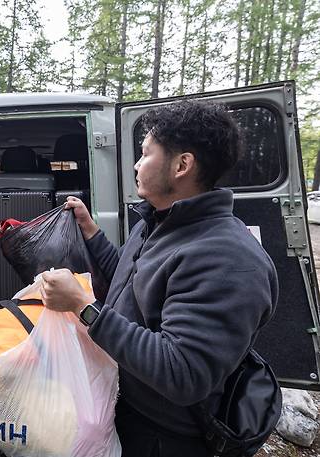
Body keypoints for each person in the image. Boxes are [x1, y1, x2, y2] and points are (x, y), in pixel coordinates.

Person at [40, 100, 278, 457]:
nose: (136, 164)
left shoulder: (228, 259)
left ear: (182, 165)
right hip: (126, 408)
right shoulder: (160, 220)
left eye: (145, 154)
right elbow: (131, 279)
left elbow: (183, 373)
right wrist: (90, 231)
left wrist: (83, 307)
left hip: (164, 437)